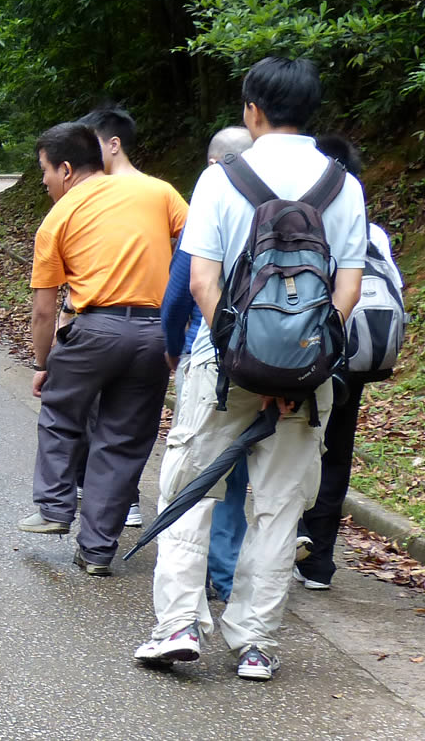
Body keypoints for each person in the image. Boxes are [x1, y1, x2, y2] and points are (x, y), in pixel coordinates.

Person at [135, 56, 366, 682]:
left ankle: (178, 624)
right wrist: (297, 364)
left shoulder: (222, 178)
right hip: (306, 375)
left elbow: (203, 281)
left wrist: (240, 357)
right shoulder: (343, 184)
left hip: (220, 364)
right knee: (279, 504)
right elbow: (347, 286)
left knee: (191, 488)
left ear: (251, 109)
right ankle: (256, 642)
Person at [18, 119, 188, 577]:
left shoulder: (58, 217)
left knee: (60, 412)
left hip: (94, 330)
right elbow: (197, 249)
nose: (45, 182)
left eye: (46, 172)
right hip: (155, 335)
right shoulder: (159, 192)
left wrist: (41, 363)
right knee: (124, 440)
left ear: (67, 169)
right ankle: (96, 550)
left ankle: (55, 509)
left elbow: (43, 310)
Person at [293, 134, 403, 590]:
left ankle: (290, 536)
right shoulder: (371, 229)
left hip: (307, 349)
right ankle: (318, 562)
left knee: (294, 442)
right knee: (336, 452)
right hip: (353, 355)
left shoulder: (300, 216)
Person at [159, 125, 256, 603]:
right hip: (273, 354)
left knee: (198, 464)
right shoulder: (287, 194)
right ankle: (228, 570)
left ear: (215, 160)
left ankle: (187, 590)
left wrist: (171, 343)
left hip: (212, 352)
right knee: (239, 468)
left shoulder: (215, 190)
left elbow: (184, 285)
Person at [71, 107, 153, 528]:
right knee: (122, 415)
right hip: (145, 324)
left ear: (113, 144)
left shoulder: (131, 193)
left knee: (105, 410)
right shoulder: (157, 191)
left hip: (108, 318)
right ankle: (115, 496)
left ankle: (114, 496)